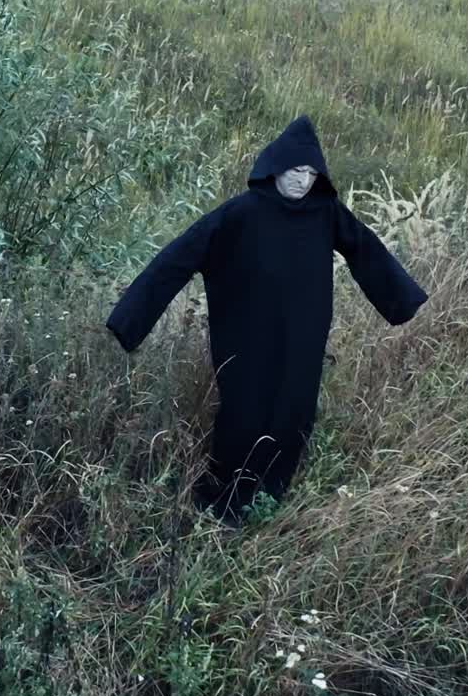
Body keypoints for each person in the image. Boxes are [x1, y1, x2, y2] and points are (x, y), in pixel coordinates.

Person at [105, 115, 428, 522]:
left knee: (294, 413)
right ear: (275, 168)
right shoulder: (240, 213)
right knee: (243, 414)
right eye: (296, 171)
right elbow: (177, 257)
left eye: (312, 173)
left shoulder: (325, 213)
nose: (302, 181)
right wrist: (130, 319)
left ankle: (267, 502)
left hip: (303, 335)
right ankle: (220, 504)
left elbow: (367, 250)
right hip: (246, 333)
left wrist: (403, 300)